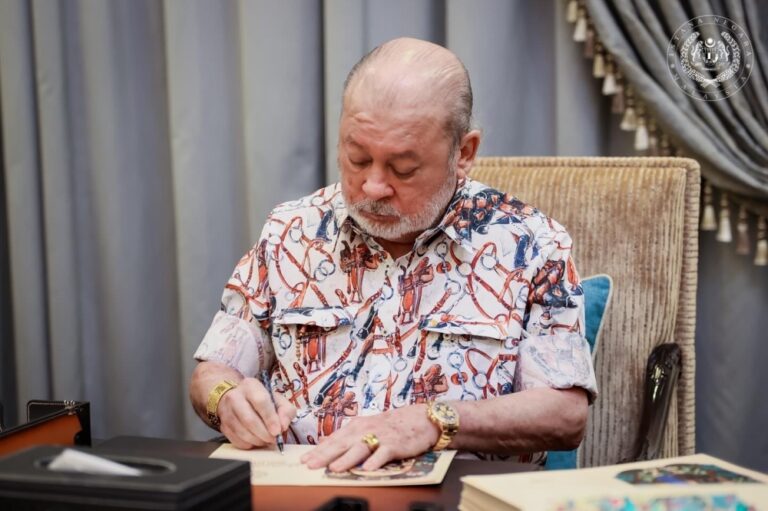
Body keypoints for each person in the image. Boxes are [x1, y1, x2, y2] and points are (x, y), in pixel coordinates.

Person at [189, 37, 597, 473]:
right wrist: (226, 399)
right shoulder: (290, 231)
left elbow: (565, 415)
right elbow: (212, 372)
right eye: (357, 158)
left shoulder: (532, 244)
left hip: (458, 495)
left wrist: (433, 422)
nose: (373, 187)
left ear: (463, 153)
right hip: (301, 486)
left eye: (403, 169)